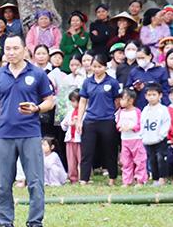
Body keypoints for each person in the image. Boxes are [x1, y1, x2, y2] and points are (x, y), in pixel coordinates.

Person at [0, 34, 56, 227]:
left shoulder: (38, 74)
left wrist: (37, 108)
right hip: (5, 134)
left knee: (35, 181)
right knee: (3, 182)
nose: (11, 52)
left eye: (16, 48)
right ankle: (5, 222)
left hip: (30, 133)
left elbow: (50, 101)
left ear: (25, 50)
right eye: (8, 49)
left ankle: (35, 222)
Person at [75, 56, 121, 186]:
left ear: (105, 67)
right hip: (90, 120)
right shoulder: (87, 82)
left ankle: (112, 177)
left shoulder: (112, 82)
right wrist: (79, 120)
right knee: (86, 151)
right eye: (94, 66)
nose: (96, 69)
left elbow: (117, 101)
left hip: (108, 120)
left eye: (99, 66)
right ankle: (84, 179)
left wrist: (109, 111)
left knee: (110, 150)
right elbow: (83, 101)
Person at [139, 86, 171, 184]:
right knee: (152, 159)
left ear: (160, 95)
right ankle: (155, 178)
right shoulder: (145, 109)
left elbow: (166, 123)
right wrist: (142, 135)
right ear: (145, 96)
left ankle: (162, 177)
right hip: (148, 138)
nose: (151, 97)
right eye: (149, 95)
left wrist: (161, 135)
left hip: (159, 139)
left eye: (154, 95)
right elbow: (142, 122)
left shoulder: (163, 109)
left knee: (161, 158)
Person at [115, 90, 146, 186]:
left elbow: (139, 125)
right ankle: (127, 181)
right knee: (126, 161)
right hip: (125, 140)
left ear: (131, 100)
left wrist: (131, 127)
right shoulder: (120, 112)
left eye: (123, 99)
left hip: (136, 139)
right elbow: (117, 124)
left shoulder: (137, 111)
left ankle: (140, 180)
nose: (121, 101)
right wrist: (120, 127)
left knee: (139, 160)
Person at [61, 87, 83, 184]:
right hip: (70, 139)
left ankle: (83, 177)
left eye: (74, 101)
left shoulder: (84, 112)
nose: (72, 103)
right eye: (71, 101)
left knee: (82, 159)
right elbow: (63, 125)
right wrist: (68, 123)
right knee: (71, 160)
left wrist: (77, 123)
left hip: (80, 139)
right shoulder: (70, 112)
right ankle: (73, 178)